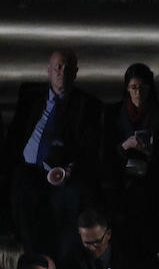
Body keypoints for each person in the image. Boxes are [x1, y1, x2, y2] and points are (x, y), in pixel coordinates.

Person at [3, 49, 102, 257]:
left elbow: (90, 148)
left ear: (75, 73)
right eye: (58, 67)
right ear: (49, 71)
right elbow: (16, 134)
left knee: (70, 198)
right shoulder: (31, 97)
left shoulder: (87, 105)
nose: (62, 72)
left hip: (63, 172)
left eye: (67, 68)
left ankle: (60, 263)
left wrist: (69, 171)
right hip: (29, 168)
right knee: (20, 184)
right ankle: (29, 256)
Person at [99, 62, 159, 258]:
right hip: (121, 175)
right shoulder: (113, 114)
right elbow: (105, 153)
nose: (138, 93)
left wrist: (152, 153)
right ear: (127, 89)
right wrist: (124, 146)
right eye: (134, 88)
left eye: (142, 88)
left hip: (152, 176)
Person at [59, 208, 143, 269]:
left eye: (97, 242)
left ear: (108, 234)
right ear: (79, 234)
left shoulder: (126, 260)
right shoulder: (70, 261)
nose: (92, 248)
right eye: (87, 243)